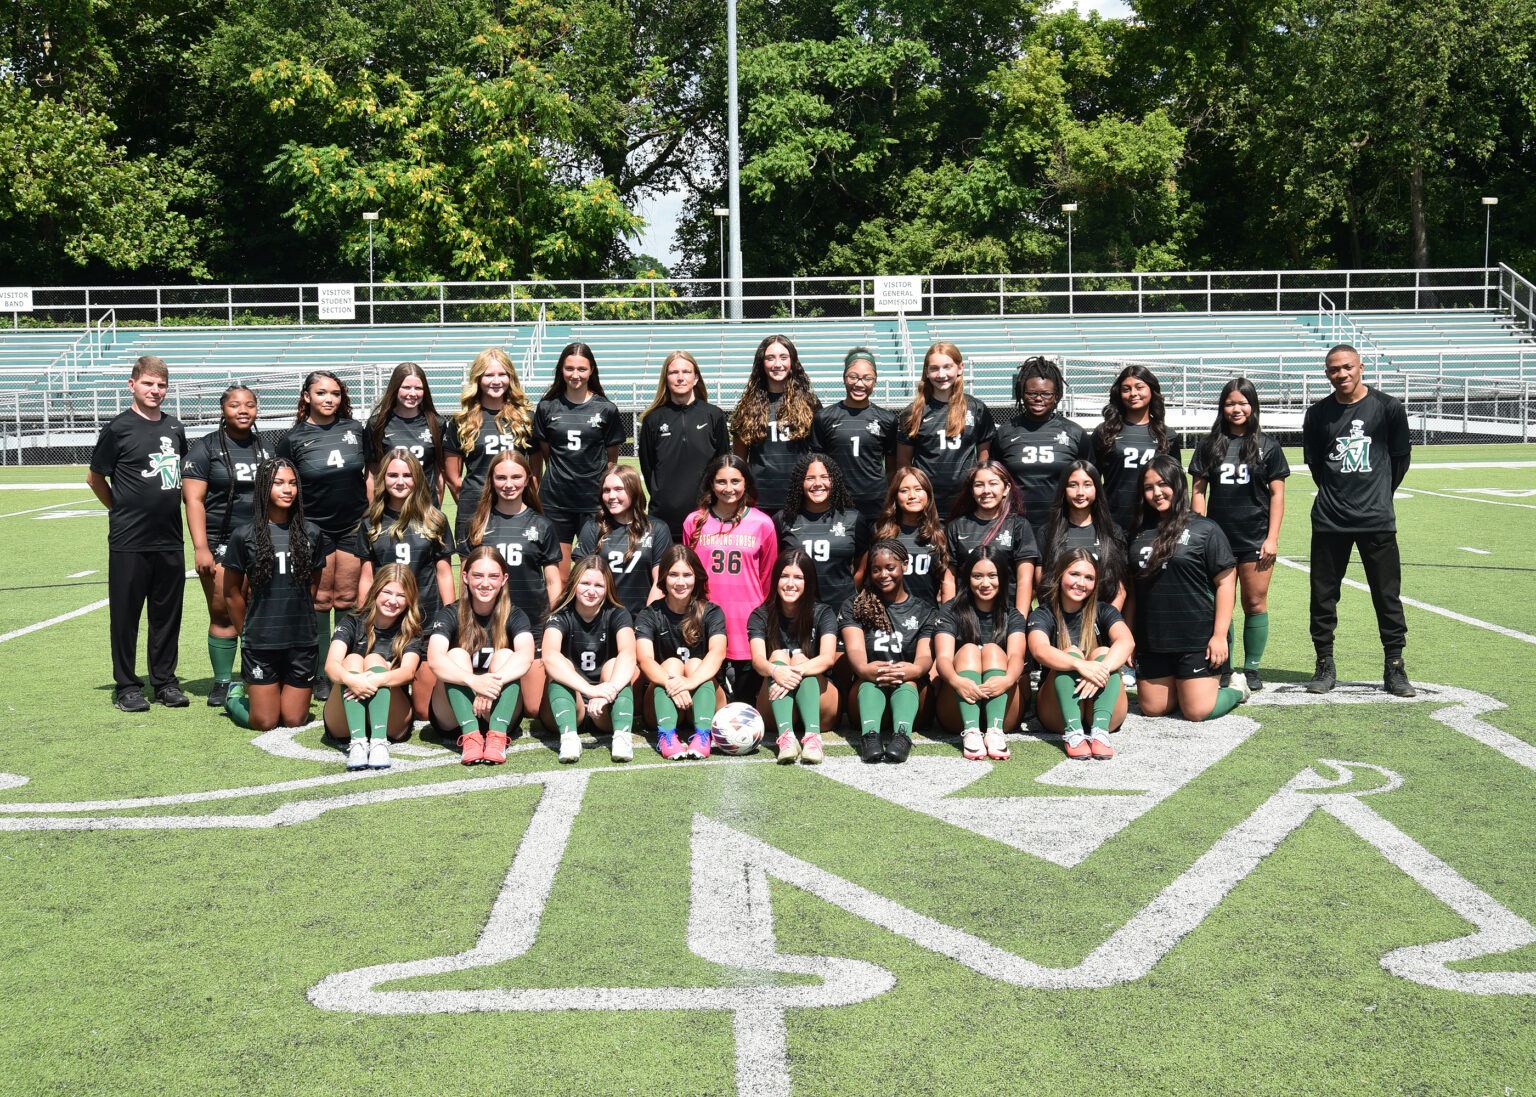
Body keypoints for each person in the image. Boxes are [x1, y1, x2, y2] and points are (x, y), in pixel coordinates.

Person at [1303, 344, 1415, 696]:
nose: (1342, 374)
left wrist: (1378, 494)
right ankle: (1324, 663)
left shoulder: (1388, 408)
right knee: (1323, 597)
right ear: (1327, 374)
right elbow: (1316, 466)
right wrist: (1340, 495)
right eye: (1334, 369)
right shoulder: (1318, 413)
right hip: (1330, 520)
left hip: (1376, 519)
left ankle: (1395, 667)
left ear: (1361, 367)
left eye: (1348, 367)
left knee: (1387, 596)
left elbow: (1400, 460)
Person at [87, 355, 190, 711]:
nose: (155, 390)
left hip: (170, 539)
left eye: (161, 385)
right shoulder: (118, 428)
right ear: (132, 385)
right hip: (130, 540)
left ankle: (164, 682)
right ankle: (127, 686)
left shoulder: (176, 428)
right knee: (126, 616)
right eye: (148, 383)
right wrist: (118, 508)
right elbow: (95, 477)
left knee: (167, 615)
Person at [1124, 456, 1250, 722]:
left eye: (1163, 484)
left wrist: (1218, 636)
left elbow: (1226, 582)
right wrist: (1130, 638)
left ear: (1178, 484)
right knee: (1153, 708)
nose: (1156, 492)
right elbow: (1133, 592)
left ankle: (1237, 689)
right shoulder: (1136, 531)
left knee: (1196, 711)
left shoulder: (1205, 528)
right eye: (1148, 487)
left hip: (1197, 639)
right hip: (1153, 639)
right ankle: (1186, 688)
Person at [1190, 378, 1290, 692]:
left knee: (1255, 602)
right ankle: (1225, 665)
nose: (1237, 409)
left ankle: (1253, 668)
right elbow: (1198, 490)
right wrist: (1198, 531)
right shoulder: (1208, 444)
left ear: (1253, 405)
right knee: (1219, 603)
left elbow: (1277, 494)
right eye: (1231, 403)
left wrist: (1272, 537)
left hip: (1255, 537)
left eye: (1243, 402)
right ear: (1222, 407)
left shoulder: (1268, 445)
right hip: (1217, 540)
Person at [221, 458, 334, 731]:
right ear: (262, 488)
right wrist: (246, 632)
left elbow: (313, 586)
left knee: (294, 719)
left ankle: (278, 688)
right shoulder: (244, 535)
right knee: (265, 721)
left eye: (293, 483)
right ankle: (234, 697)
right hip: (261, 643)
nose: (288, 490)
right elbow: (231, 593)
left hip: (301, 640)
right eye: (279, 483)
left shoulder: (312, 534)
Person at [275, 370, 369, 701]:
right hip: (313, 527)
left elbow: (369, 474)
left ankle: (341, 665)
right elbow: (283, 484)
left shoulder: (356, 430)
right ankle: (318, 673)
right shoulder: (293, 438)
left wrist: (371, 514)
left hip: (353, 526)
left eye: (334, 394)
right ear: (306, 397)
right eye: (321, 393)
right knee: (319, 600)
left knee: (346, 599)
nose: (328, 399)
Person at [351, 448, 456, 722]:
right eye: (393, 475)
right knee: (385, 697)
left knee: (424, 713)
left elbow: (444, 573)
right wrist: (363, 619)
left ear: (418, 479)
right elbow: (366, 576)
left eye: (408, 475)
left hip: (426, 619)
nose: (400, 481)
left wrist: (450, 617)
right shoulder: (371, 522)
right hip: (387, 622)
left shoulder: (435, 519)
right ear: (382, 479)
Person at [182, 383, 270, 707]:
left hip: (260, 540)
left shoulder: (266, 448)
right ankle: (222, 680)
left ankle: (255, 673)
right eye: (235, 405)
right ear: (223, 409)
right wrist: (201, 547)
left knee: (256, 609)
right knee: (222, 610)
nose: (243, 410)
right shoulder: (206, 448)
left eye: (249, 404)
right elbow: (194, 500)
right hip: (221, 541)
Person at [462, 449, 562, 721]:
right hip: (488, 624)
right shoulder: (477, 524)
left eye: (516, 477)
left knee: (533, 708)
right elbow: (465, 577)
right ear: (491, 481)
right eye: (501, 477)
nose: (509, 484)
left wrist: (553, 623)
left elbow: (553, 581)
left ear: (529, 479)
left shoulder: (541, 524)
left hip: (532, 623)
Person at [426, 545, 536, 765]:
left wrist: (491, 686)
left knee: (506, 655)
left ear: (504, 579)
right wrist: (475, 681)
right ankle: (470, 737)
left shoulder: (514, 614)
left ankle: (496, 738)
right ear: (465, 577)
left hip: (498, 710)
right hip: (454, 716)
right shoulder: (450, 613)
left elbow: (526, 655)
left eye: (493, 576)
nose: (485, 583)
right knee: (456, 655)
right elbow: (434, 659)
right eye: (478, 575)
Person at [682, 455, 778, 702]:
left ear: (746, 483)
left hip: (747, 624)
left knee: (744, 704)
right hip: (705, 619)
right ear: (711, 484)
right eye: (721, 481)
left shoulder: (762, 523)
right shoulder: (693, 522)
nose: (729, 488)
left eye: (735, 481)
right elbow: (686, 575)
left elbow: (768, 577)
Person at [1027, 549, 1134, 759]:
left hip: (1099, 706)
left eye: (1089, 578)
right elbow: (1040, 650)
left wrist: (1099, 670)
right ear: (1059, 575)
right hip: (1057, 714)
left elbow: (1126, 641)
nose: (1081, 583)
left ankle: (1100, 733)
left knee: (1104, 652)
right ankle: (1074, 732)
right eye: (1074, 574)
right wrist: (1079, 665)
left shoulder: (1104, 610)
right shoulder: (1043, 613)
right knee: (1072, 654)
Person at [840, 539, 936, 765]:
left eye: (890, 568)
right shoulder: (855, 606)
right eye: (876, 569)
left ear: (905, 565)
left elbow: (924, 659)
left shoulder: (924, 611)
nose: (883, 574)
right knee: (868, 682)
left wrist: (911, 670)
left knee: (909, 682)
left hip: (911, 697)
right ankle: (870, 736)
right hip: (867, 693)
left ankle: (902, 736)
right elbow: (857, 656)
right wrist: (868, 669)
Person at [531, 342, 625, 572]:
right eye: (569, 368)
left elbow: (611, 461)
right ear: (560, 370)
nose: (575, 375)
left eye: (581, 369)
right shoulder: (546, 408)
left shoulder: (606, 409)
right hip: (556, 501)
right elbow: (547, 456)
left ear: (591, 370)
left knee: (590, 573)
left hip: (593, 502)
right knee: (560, 576)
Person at [323, 565, 426, 770]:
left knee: (374, 660)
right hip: (345, 719)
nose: (392, 600)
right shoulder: (353, 621)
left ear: (409, 599)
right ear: (375, 591)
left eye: (401, 595)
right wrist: (352, 679)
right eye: (387, 592)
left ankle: (379, 744)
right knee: (352, 659)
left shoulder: (411, 630)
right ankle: (358, 744)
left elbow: (408, 672)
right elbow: (331, 665)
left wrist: (374, 680)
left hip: (391, 721)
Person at [933, 545, 1028, 761]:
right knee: (968, 650)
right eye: (977, 576)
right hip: (958, 709)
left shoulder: (1012, 615)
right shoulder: (950, 611)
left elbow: (1016, 657)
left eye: (992, 576)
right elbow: (944, 659)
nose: (985, 583)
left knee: (993, 650)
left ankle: (995, 732)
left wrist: (1007, 680)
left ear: (1002, 578)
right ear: (967, 578)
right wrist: (957, 681)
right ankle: (972, 731)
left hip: (1004, 709)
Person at [540, 556, 638, 764]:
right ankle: (568, 737)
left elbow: (629, 654)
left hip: (604, 707)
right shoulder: (560, 614)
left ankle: (622, 736)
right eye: (585, 583)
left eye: (598, 585)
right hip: (571, 703)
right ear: (574, 583)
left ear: (608, 588)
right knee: (561, 665)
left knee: (615, 665)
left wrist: (604, 694)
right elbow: (549, 656)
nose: (591, 590)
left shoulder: (617, 614)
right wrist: (589, 690)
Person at [635, 545, 728, 760]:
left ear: (697, 577)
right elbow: (645, 659)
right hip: (664, 700)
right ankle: (666, 736)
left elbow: (717, 652)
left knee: (695, 663)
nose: (680, 582)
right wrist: (674, 684)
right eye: (673, 575)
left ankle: (703, 735)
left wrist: (691, 682)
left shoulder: (712, 611)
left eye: (687, 575)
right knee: (671, 665)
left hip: (704, 699)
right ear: (664, 578)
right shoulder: (650, 614)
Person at [748, 548, 840, 764]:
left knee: (800, 659)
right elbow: (758, 661)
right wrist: (776, 670)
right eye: (784, 576)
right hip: (774, 708)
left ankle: (813, 738)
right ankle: (786, 737)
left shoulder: (823, 612)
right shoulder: (760, 615)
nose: (790, 583)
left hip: (820, 705)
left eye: (798, 577)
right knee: (777, 655)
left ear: (808, 582)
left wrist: (791, 673)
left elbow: (828, 658)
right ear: (775, 580)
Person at [994, 356, 1094, 544]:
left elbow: (1089, 482)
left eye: (1046, 394)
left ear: (1056, 395)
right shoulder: (1005, 433)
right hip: (1014, 526)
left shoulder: (1074, 433)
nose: (1038, 398)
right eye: (1031, 393)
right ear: (1021, 394)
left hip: (1061, 526)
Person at [445, 347, 534, 544]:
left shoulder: (526, 419)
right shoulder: (461, 422)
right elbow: (452, 478)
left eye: (502, 374)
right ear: (477, 378)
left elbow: (534, 473)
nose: (496, 381)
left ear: (510, 377)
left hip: (516, 507)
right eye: (489, 375)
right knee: (472, 571)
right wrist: (479, 502)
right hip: (474, 508)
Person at [637, 350, 731, 539]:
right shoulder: (653, 420)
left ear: (696, 378)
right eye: (674, 372)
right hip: (663, 519)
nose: (680, 378)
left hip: (706, 515)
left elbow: (723, 465)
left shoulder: (714, 416)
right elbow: (648, 467)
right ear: (666, 378)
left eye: (686, 372)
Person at [896, 341, 996, 515]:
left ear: (960, 368)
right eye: (934, 368)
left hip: (966, 500)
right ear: (926, 371)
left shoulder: (976, 408)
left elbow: (984, 457)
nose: (941, 374)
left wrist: (977, 485)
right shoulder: (913, 412)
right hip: (927, 502)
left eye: (947, 367)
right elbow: (904, 463)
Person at [731, 334, 821, 516]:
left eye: (783, 357)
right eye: (770, 358)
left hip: (800, 497)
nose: (777, 364)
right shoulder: (748, 406)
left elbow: (821, 454)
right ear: (761, 363)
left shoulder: (810, 403)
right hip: (760, 499)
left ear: (793, 362)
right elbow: (740, 460)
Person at [775, 452, 869, 612]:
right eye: (810, 478)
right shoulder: (783, 519)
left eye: (825, 477)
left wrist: (847, 595)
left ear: (834, 481)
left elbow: (862, 567)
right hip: (798, 611)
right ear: (800, 482)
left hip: (841, 609)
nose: (818, 483)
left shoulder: (853, 518)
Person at [1092, 364, 1180, 536]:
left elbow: (1177, 485)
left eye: (1140, 387)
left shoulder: (1167, 435)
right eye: (1127, 389)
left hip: (1156, 525)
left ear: (1151, 391)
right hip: (1113, 523)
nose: (1133, 393)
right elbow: (1091, 480)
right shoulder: (1104, 432)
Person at [811, 348, 898, 522]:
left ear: (875, 381)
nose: (860, 384)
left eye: (867, 378)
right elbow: (817, 464)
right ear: (844, 378)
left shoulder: (887, 420)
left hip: (875, 502)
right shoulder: (824, 417)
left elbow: (891, 469)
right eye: (853, 376)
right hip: (837, 502)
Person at [944, 460, 1039, 614]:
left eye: (993, 483)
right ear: (971, 490)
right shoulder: (957, 526)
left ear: (1006, 488)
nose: (986, 490)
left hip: (1008, 615)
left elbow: (1025, 580)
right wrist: (949, 620)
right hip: (968, 616)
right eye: (979, 485)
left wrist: (1019, 622)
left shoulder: (1019, 525)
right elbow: (949, 579)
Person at [573, 464, 670, 613]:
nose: (611, 496)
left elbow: (660, 582)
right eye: (606, 490)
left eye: (619, 489)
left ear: (634, 490)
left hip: (642, 617)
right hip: (602, 617)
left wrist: (646, 621)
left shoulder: (657, 528)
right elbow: (583, 582)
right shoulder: (593, 528)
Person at [1041, 461, 1126, 608]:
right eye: (1073, 485)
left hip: (1101, 620)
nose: (1080, 492)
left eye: (1087, 485)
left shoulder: (1113, 532)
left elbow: (1120, 590)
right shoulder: (1048, 532)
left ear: (1097, 489)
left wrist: (1105, 624)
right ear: (1064, 489)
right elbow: (1042, 584)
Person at [364, 361, 445, 501]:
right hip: (389, 508)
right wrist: (373, 512)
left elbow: (439, 473)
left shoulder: (437, 424)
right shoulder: (377, 424)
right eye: (406, 387)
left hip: (424, 507)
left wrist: (435, 508)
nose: (412, 393)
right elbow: (371, 474)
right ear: (395, 388)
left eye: (418, 388)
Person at [873, 466, 952, 605]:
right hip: (888, 617)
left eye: (918, 489)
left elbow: (947, 582)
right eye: (904, 490)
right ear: (895, 496)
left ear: (928, 493)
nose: (912, 495)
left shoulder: (941, 533)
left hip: (928, 617)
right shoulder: (880, 532)